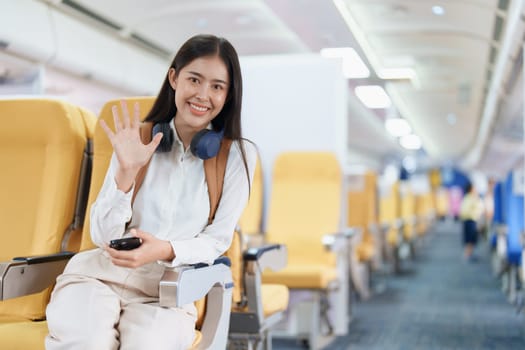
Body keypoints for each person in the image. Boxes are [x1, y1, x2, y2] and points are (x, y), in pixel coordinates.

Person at [45, 34, 256, 349]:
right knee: (85, 341)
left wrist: (164, 249)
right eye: (194, 80)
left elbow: (218, 240)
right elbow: (102, 235)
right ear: (174, 78)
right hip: (97, 277)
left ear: (228, 94)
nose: (202, 94)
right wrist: (126, 173)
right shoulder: (136, 139)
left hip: (167, 290)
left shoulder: (237, 155)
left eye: (216, 86)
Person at [459, 182, 484, 261]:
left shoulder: (468, 198)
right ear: (471, 189)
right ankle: (467, 255)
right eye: (474, 188)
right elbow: (467, 211)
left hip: (470, 220)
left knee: (471, 239)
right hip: (471, 220)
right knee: (470, 239)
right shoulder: (471, 198)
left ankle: (469, 254)